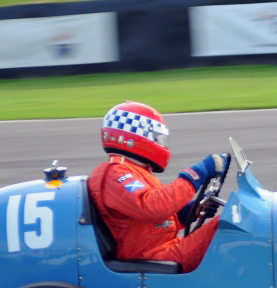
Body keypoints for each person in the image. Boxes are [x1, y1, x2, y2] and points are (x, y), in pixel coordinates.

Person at [89, 101, 225, 273]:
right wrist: (196, 174)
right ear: (132, 137)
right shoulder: (114, 173)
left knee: (229, 224)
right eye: (157, 137)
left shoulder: (136, 171)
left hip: (160, 249)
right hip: (149, 257)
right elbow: (153, 206)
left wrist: (189, 212)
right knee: (228, 225)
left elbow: (154, 221)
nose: (161, 143)